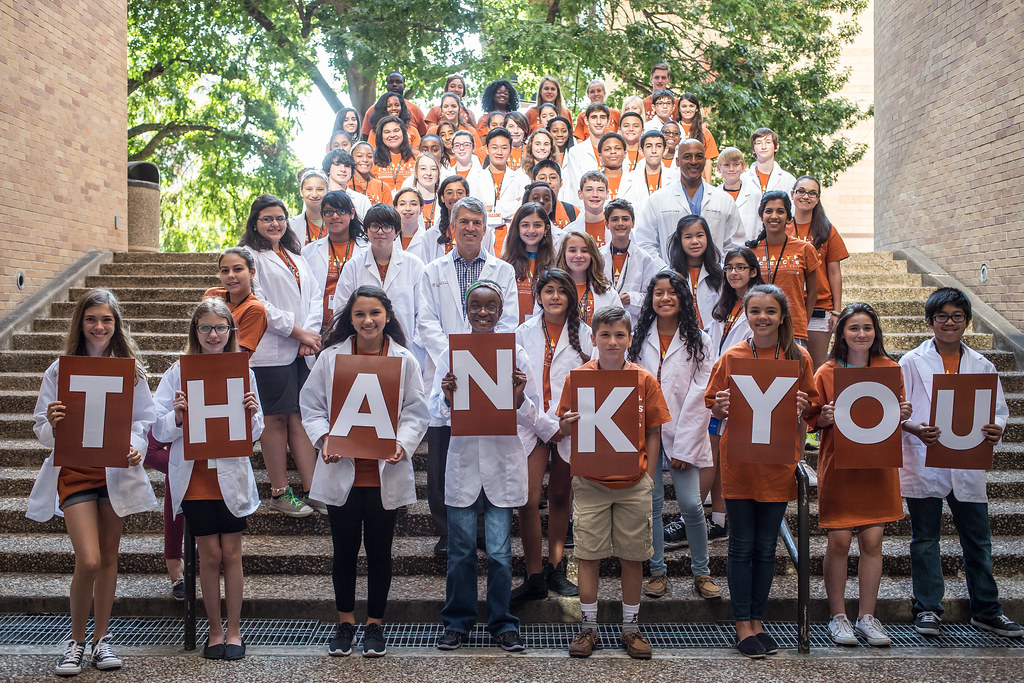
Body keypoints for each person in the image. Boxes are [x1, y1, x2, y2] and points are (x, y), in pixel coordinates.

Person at [29, 289, 157, 676]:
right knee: (88, 559)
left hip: (114, 473)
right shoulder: (59, 369)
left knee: (109, 557)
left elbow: (144, 420)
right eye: (91, 319)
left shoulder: (129, 370)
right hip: (75, 472)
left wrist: (136, 446)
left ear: (116, 325)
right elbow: (40, 427)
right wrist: (52, 422)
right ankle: (76, 641)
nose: (99, 327)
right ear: (80, 323)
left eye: (106, 320)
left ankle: (101, 641)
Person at [301, 286, 429, 658]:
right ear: (350, 319)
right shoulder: (330, 359)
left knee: (379, 552)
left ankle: (374, 626)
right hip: (343, 471)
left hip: (383, 474)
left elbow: (415, 412)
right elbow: (311, 406)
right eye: (360, 314)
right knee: (343, 551)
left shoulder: (405, 361)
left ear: (387, 315)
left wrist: (402, 444)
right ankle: (344, 623)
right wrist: (324, 438)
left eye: (375, 313)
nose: (368, 320)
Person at [898, 287, 1023, 638]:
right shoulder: (910, 361)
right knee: (925, 539)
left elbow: (999, 410)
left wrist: (996, 430)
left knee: (978, 540)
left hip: (967, 462)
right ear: (930, 322)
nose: (949, 323)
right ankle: (927, 609)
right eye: (942, 317)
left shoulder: (982, 365)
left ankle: (987, 609)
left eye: (956, 317)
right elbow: (897, 410)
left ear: (967, 321)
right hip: (925, 460)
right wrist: (914, 428)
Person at [705, 284, 817, 659]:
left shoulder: (798, 358)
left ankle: (758, 619)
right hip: (740, 463)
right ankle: (742, 624)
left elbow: (813, 408)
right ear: (746, 315)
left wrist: (805, 404)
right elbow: (713, 405)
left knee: (767, 548)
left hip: (778, 463)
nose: (763, 317)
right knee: (741, 547)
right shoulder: (733, 355)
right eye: (755, 311)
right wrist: (720, 406)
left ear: (783, 315)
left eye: (770, 311)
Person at [557, 306, 672, 659]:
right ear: (593, 339)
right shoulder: (577, 377)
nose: (612, 341)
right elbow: (562, 426)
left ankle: (631, 628)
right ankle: (588, 628)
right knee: (588, 555)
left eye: (619, 335)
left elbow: (654, 431)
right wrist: (566, 423)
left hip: (633, 481)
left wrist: (649, 476)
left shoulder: (643, 379)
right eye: (604, 335)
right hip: (590, 481)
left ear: (630, 339)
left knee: (632, 556)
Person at [152, 298, 263, 661]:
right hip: (196, 477)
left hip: (229, 475)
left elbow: (256, 430)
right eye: (205, 328)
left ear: (231, 331)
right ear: (195, 332)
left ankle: (234, 630)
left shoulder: (242, 371)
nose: (213, 334)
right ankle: (214, 631)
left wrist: (251, 414)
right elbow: (158, 428)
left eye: (220, 328)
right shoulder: (177, 372)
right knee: (209, 555)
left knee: (231, 553)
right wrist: (178, 418)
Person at [432, 280, 538, 653]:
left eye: (490, 306)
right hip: (463, 462)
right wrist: (447, 397)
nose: (482, 312)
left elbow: (533, 415)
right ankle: (457, 623)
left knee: (499, 552)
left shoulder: (516, 354)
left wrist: (520, 396)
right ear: (467, 308)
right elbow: (435, 412)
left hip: (502, 462)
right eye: (475, 305)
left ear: (500, 309)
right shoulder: (452, 353)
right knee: (460, 551)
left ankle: (502, 622)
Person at [418, 198, 519, 554]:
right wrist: (455, 356)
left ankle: (479, 528)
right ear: (453, 227)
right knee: (444, 453)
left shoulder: (502, 271)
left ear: (485, 228)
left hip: (489, 374)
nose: (471, 228)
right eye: (464, 221)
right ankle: (447, 531)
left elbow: (507, 322)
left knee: (482, 454)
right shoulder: (432, 271)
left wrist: (475, 355)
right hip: (447, 374)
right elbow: (425, 321)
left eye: (477, 222)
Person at [806, 303, 911, 647]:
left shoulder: (890, 368)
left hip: (877, 468)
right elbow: (813, 422)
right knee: (838, 542)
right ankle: (838, 617)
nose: (861, 334)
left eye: (867, 328)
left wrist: (903, 412)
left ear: (876, 333)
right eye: (854, 328)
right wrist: (824, 417)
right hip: (839, 466)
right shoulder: (826, 371)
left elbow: (891, 419)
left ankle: (868, 616)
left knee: (872, 541)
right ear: (841, 334)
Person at [627, 272, 721, 601]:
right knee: (650, 506)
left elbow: (700, 395)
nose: (665, 298)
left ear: (683, 297)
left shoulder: (700, 341)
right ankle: (657, 572)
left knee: (693, 506)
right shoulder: (638, 338)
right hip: (645, 432)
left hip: (684, 431)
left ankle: (702, 571)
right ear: (650, 299)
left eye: (672, 292)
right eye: (658, 293)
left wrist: (684, 443)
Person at [240, 194, 323, 517]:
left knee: (300, 418)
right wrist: (296, 331)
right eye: (267, 219)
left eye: (279, 218)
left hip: (302, 350)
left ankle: (315, 489)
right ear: (255, 223)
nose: (275, 224)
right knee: (274, 420)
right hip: (270, 351)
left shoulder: (294, 255)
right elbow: (258, 304)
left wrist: (308, 335)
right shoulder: (250, 256)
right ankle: (278, 491)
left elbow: (314, 296)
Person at [512, 268, 592, 602]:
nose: (555, 296)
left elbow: (594, 381)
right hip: (532, 423)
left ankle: (555, 567)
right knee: (528, 500)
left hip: (570, 426)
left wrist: (565, 424)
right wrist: (545, 424)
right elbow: (514, 386)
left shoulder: (587, 334)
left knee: (561, 498)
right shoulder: (521, 333)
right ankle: (533, 576)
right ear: (538, 295)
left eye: (562, 290)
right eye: (548, 290)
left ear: (571, 297)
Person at [704, 247, 766, 543]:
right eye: (729, 268)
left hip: (749, 390)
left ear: (753, 271)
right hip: (719, 389)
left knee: (732, 459)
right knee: (714, 456)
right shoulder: (723, 307)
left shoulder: (760, 307)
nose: (734, 273)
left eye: (741, 267)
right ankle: (718, 519)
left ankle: (733, 517)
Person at [335, 203, 427, 366]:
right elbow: (341, 310)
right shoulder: (353, 267)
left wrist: (414, 344)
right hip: (362, 348)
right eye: (374, 226)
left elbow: (424, 312)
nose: (380, 232)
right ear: (366, 230)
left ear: (397, 231)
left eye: (387, 227)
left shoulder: (414, 265)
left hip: (406, 348)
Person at [635, 139, 743, 264]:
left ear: (704, 160)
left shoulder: (724, 200)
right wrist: (665, 273)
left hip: (714, 279)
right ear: (677, 161)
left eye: (699, 156)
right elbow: (645, 243)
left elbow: (735, 244)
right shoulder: (657, 200)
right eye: (687, 157)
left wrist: (719, 271)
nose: (693, 161)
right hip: (670, 278)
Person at [788, 175, 849, 370]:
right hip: (790, 309)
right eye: (801, 191)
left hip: (820, 310)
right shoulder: (782, 227)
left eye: (812, 193)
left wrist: (836, 311)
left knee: (815, 369)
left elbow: (834, 272)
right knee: (790, 369)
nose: (806, 196)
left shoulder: (827, 230)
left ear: (818, 198)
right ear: (792, 194)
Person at [745, 191, 819, 345]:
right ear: (761, 216)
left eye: (780, 211)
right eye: (768, 211)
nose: (774, 216)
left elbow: (812, 293)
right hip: (758, 328)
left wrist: (803, 322)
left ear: (788, 217)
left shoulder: (805, 249)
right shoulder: (750, 251)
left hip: (794, 329)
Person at [302, 190, 368, 334]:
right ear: (322, 215)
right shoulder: (308, 252)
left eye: (341, 211)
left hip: (355, 327)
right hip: (319, 328)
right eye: (329, 212)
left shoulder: (367, 250)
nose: (335, 216)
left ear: (352, 213)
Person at [598, 198, 663, 322]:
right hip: (603, 322)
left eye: (625, 219)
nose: (620, 223)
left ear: (633, 223)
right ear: (607, 224)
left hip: (633, 323)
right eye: (615, 219)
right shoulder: (598, 257)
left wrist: (631, 299)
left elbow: (652, 297)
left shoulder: (645, 259)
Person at [467, 127, 529, 254]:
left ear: (511, 150)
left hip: (512, 237)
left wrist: (492, 208)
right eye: (494, 147)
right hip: (483, 238)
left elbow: (522, 210)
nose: (499, 152)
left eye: (504, 148)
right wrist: (511, 206)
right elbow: (473, 211)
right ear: (487, 149)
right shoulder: (475, 178)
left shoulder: (521, 178)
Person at [203, 247, 268, 355]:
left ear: (252, 273)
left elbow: (238, 355)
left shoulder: (255, 309)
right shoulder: (212, 295)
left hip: (229, 367)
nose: (231, 275)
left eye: (237, 269)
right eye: (225, 271)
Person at [502, 203, 558, 324]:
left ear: (546, 229)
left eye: (537, 225)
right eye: (525, 225)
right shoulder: (504, 264)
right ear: (517, 228)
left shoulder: (556, 263)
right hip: (512, 330)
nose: (531, 230)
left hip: (544, 330)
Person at [555, 230, 621, 326]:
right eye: (572, 250)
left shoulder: (608, 293)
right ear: (563, 254)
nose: (578, 255)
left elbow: (619, 327)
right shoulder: (550, 289)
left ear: (593, 255)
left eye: (585, 251)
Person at [669, 215, 723, 332]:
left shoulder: (721, 274)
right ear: (680, 241)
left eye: (699, 236)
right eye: (688, 237)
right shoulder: (670, 275)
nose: (695, 241)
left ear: (707, 238)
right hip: (681, 337)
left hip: (714, 336)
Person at [562, 103, 611, 205]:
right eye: (594, 117)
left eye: (602, 117)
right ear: (586, 121)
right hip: (586, 212)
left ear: (608, 121)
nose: (598, 122)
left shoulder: (616, 150)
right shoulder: (576, 152)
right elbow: (576, 188)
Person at [360, 71, 427, 137]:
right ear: (387, 86)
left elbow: (424, 135)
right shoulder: (373, 110)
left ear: (404, 86)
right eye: (391, 82)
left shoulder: (415, 109)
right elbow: (366, 136)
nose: (394, 84)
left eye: (398, 82)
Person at [717, 146, 762, 243]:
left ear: (743, 167)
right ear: (718, 168)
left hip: (747, 249)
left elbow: (759, 226)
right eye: (727, 165)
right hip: (720, 251)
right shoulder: (713, 196)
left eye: (736, 164)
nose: (731, 169)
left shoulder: (754, 194)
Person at [620, 130, 669, 217]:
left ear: (665, 150)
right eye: (649, 146)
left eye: (658, 146)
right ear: (641, 151)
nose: (654, 151)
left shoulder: (675, 177)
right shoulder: (629, 179)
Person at [674, 93, 718, 180]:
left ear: (696, 108)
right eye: (684, 106)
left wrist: (708, 183)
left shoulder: (705, 133)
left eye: (691, 106)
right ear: (679, 108)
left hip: (698, 179)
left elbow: (708, 160)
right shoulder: (672, 130)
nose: (687, 109)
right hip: (676, 178)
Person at [371, 115, 417, 193]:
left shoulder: (417, 157)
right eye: (387, 132)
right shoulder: (372, 159)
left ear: (403, 133)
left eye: (396, 130)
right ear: (381, 136)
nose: (392, 135)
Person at [564, 171, 611, 247]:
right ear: (580, 194)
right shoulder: (568, 232)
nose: (595, 195)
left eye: (600, 190)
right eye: (589, 190)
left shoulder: (617, 228)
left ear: (607, 194)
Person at [744, 127, 796, 194]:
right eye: (759, 143)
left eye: (768, 142)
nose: (763, 147)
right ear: (753, 149)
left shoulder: (789, 180)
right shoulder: (743, 179)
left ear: (776, 147)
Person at [322, 150, 372, 217]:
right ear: (328, 169)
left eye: (347, 166)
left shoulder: (362, 200)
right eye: (337, 164)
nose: (343, 169)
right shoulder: (318, 197)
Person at [402, 152, 442, 231]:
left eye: (433, 169)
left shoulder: (444, 202)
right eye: (423, 168)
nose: (428, 173)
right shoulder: (405, 203)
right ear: (416, 173)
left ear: (438, 173)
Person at [532, 160, 577, 229]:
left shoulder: (572, 211)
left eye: (553, 177)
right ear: (533, 182)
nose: (548, 181)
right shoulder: (523, 213)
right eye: (542, 178)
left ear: (561, 182)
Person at [289, 170, 328, 245]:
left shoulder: (337, 222)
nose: (314, 195)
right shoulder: (290, 226)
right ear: (301, 192)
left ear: (327, 191)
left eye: (320, 189)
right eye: (309, 189)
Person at [392, 187, 426, 252]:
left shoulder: (428, 239)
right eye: (402, 204)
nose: (407, 208)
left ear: (421, 209)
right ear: (396, 209)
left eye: (413, 204)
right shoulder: (387, 237)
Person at [597, 132, 628, 200]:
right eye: (607, 149)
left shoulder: (636, 181)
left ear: (625, 154)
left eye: (618, 148)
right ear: (600, 156)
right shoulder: (593, 182)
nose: (613, 152)